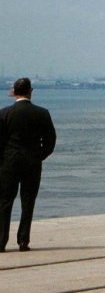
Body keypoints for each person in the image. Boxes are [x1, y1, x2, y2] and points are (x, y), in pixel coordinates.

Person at [0, 77, 56, 252]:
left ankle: (1, 241)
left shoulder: (4, 113)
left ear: (14, 92)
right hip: (32, 162)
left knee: (4, 202)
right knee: (28, 201)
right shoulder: (42, 113)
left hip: (9, 163)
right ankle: (23, 241)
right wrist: (39, 155)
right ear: (31, 91)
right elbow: (50, 140)